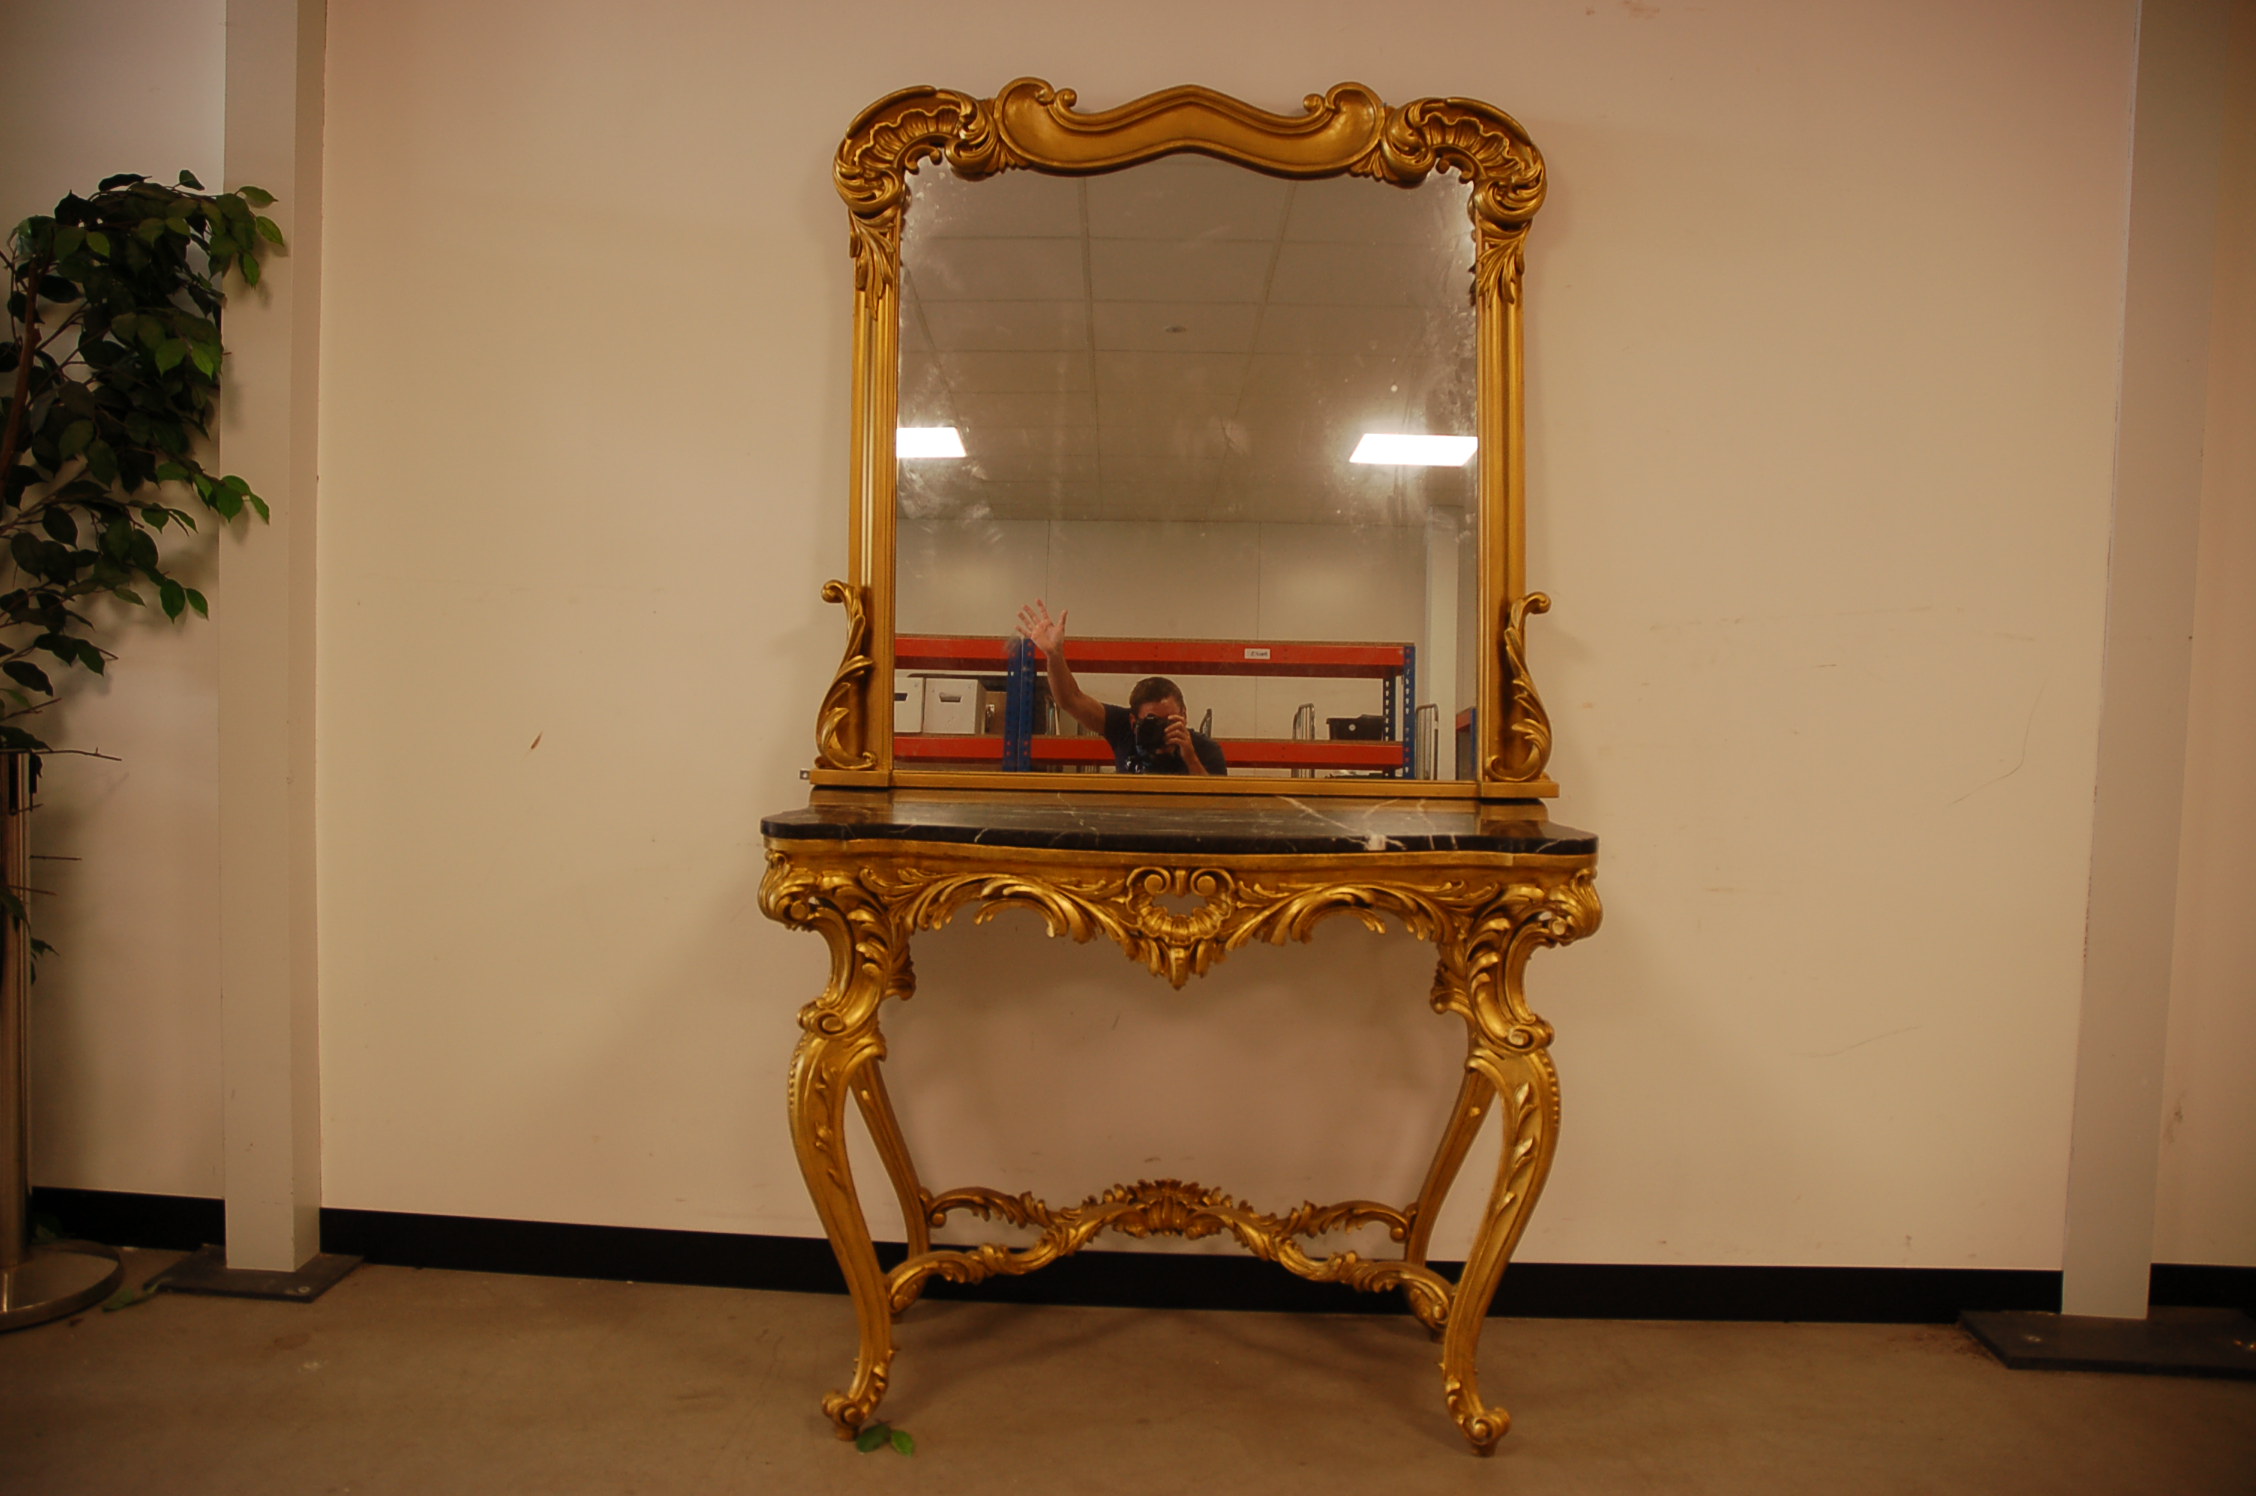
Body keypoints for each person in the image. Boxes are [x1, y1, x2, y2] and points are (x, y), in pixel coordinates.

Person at [1015, 600, 1227, 776]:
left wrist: (1190, 758)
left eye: (1170, 720)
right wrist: (1054, 655)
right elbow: (1070, 700)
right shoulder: (1123, 729)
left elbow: (1218, 808)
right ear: (1134, 721)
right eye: (1153, 721)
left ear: (1184, 715)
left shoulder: (1206, 750)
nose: (1162, 728)